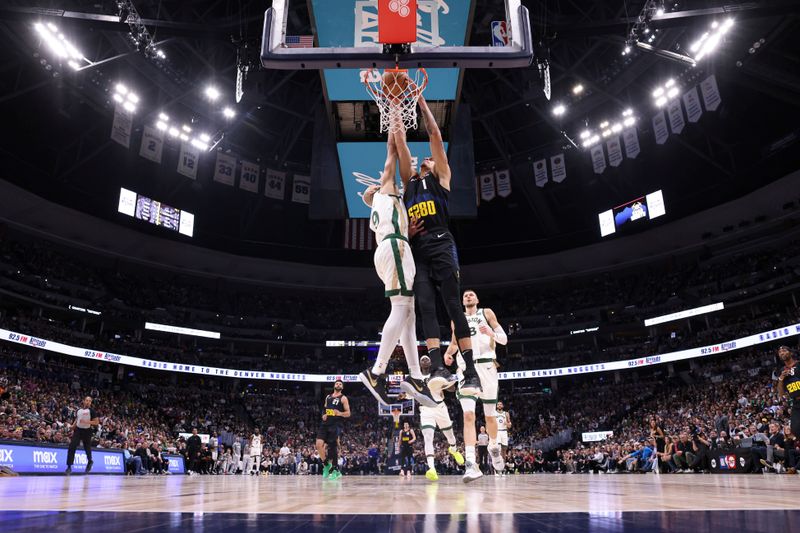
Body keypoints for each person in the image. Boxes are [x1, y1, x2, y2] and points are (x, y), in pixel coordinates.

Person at [401, 93, 481, 397]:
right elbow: (401, 146)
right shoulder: (409, 182)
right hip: (418, 249)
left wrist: (419, 102)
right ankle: (436, 367)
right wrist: (398, 109)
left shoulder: (442, 177)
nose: (428, 159)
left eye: (433, 159)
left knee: (452, 305)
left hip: (441, 243)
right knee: (424, 305)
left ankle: (470, 372)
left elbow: (434, 134)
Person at [358, 132, 436, 408]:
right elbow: (391, 155)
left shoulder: (379, 210)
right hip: (395, 250)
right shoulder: (385, 192)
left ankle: (416, 376)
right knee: (402, 308)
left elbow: (394, 228)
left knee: (409, 312)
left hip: (392, 248)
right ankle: (376, 371)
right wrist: (394, 124)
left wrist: (407, 231)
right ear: (380, 189)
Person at [444, 289, 508, 482]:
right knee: (468, 415)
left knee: (490, 417)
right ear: (462, 301)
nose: (468, 296)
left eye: (471, 295)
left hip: (487, 366)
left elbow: (504, 339)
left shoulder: (486, 313)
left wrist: (491, 332)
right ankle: (471, 463)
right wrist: (448, 353)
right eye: (465, 295)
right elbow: (455, 344)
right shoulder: (457, 319)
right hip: (465, 368)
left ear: (477, 299)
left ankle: (494, 447)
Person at [417, 355, 465, 481]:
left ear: (431, 362)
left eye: (427, 358)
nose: (425, 360)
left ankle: (453, 449)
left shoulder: (437, 373)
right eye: (422, 359)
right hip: (425, 409)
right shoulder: (416, 378)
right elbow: (411, 393)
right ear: (419, 364)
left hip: (440, 407)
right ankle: (432, 469)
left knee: (450, 436)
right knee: (428, 438)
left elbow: (452, 388)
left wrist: (447, 383)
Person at [315, 379, 350, 481]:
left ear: (342, 387)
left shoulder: (343, 398)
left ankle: (335, 470)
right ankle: (326, 465)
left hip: (335, 425)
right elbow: (324, 409)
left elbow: (348, 413)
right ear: (334, 385)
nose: (338, 385)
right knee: (318, 444)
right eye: (337, 383)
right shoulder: (328, 397)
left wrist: (340, 413)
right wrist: (323, 415)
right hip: (325, 424)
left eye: (340, 384)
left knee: (332, 447)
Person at [65, 396, 99, 475]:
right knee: (72, 446)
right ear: (83, 401)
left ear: (90, 403)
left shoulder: (92, 411)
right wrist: (72, 427)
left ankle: (90, 461)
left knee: (87, 447)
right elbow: (77, 420)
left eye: (89, 401)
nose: (87, 402)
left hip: (87, 431)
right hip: (78, 430)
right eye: (86, 400)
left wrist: (87, 421)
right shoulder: (79, 410)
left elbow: (96, 422)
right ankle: (69, 466)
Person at [777, 345, 800, 438]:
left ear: (790, 352)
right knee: (795, 429)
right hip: (796, 403)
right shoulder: (782, 371)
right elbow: (781, 393)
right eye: (780, 352)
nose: (782, 352)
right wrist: (781, 378)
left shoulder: (799, 365)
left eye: (784, 350)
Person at [496, 400, 512, 465]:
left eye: (500, 404)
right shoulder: (494, 413)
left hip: (504, 431)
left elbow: (510, 425)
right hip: (497, 431)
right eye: (498, 404)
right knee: (498, 448)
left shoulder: (506, 413)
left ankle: (503, 464)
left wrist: (508, 424)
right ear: (496, 406)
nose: (499, 405)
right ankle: (498, 464)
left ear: (502, 406)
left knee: (504, 449)